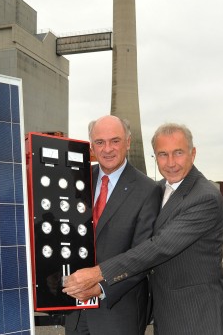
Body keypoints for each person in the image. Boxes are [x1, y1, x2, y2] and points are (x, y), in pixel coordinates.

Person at [63, 123, 223, 335]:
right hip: (165, 313)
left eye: (178, 153)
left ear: (193, 153)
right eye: (163, 154)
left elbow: (158, 247)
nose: (170, 163)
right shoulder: (161, 188)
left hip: (197, 315)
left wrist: (98, 275)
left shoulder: (204, 196)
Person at [65, 115, 161, 335]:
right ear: (92, 147)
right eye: (100, 142)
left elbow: (142, 256)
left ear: (128, 142)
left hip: (118, 312)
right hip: (76, 312)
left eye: (114, 141)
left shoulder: (148, 190)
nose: (107, 149)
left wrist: (99, 288)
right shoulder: (78, 182)